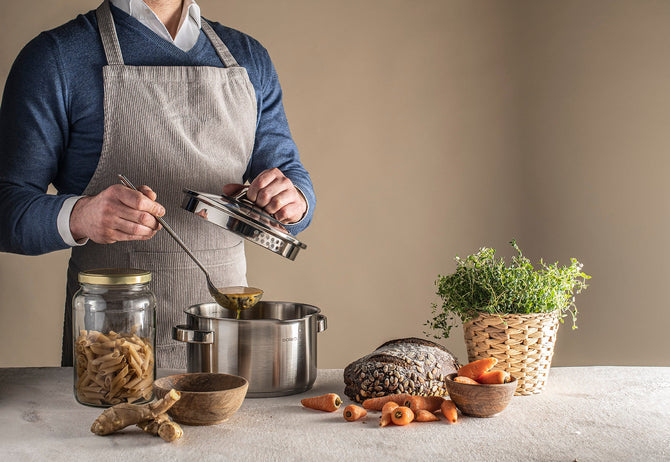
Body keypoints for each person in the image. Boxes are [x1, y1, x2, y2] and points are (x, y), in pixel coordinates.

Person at [0, 0, 315, 368]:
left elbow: (289, 173)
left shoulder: (248, 57)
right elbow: (7, 206)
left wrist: (294, 201)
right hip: (111, 355)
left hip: (229, 348)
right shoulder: (56, 57)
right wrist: (80, 216)